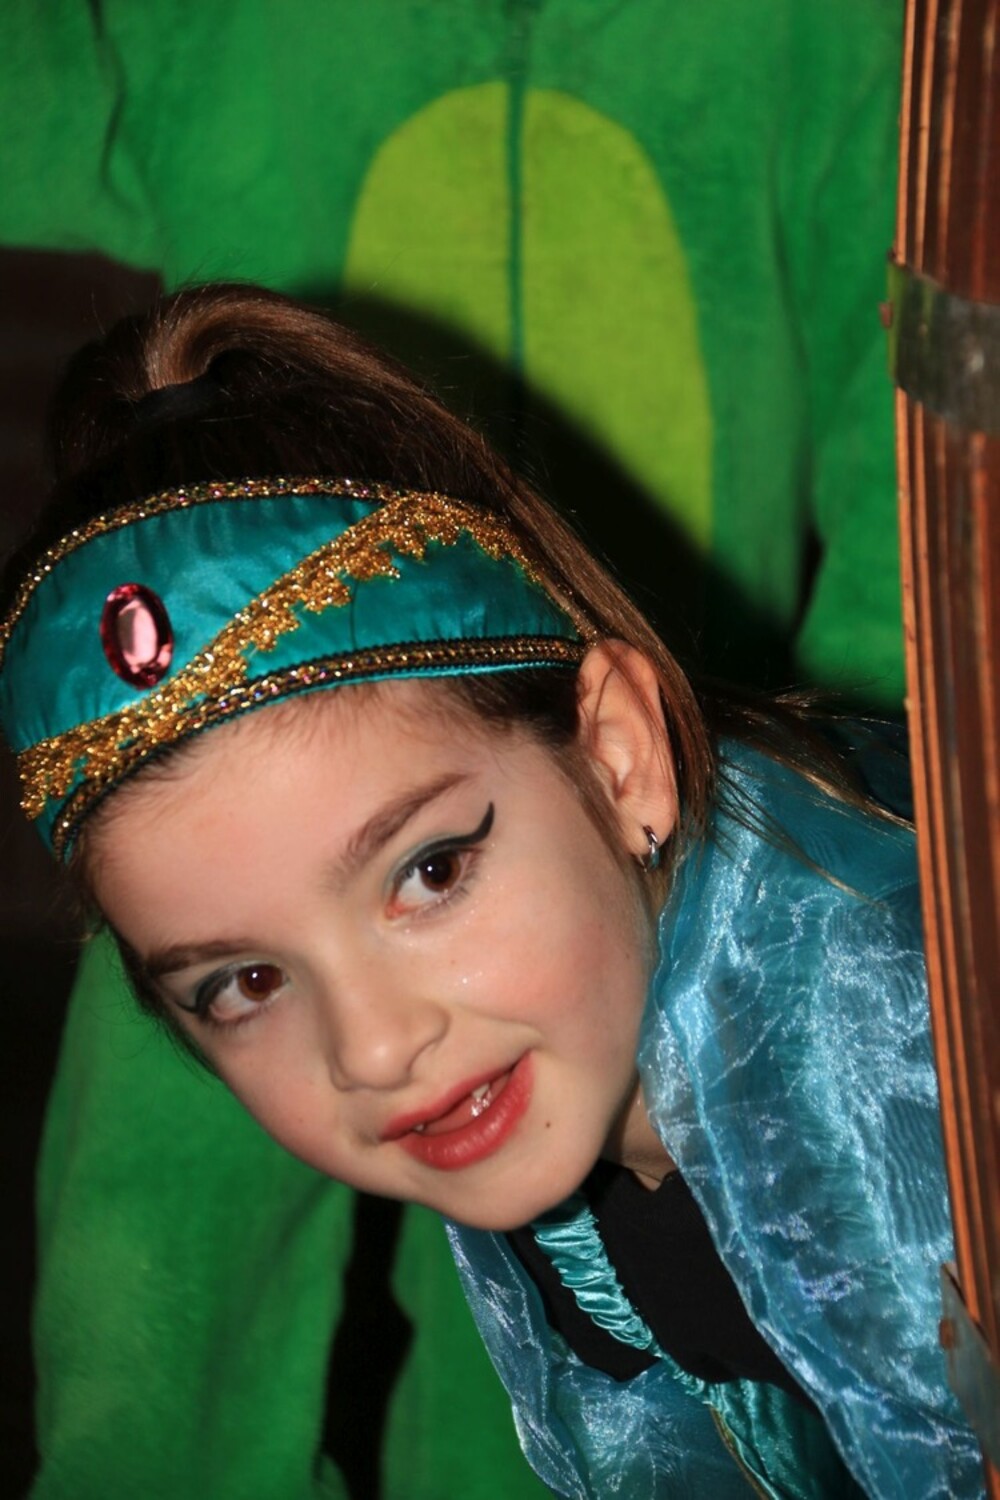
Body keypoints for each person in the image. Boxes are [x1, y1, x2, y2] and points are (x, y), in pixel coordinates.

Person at [0, 282, 980, 1500]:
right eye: (246, 982)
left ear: (618, 754)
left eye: (430, 872)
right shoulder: (555, 1079)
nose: (375, 1046)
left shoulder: (916, 1052)